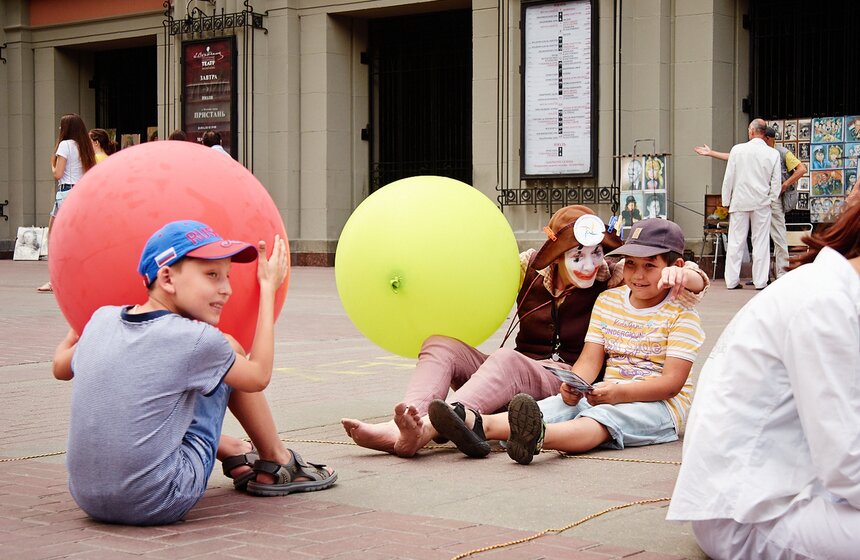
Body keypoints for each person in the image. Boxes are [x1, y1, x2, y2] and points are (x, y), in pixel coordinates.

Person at [341, 205, 707, 458]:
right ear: (556, 254)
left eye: (597, 253)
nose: (590, 264)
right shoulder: (528, 267)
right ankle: (412, 421)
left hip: (559, 377)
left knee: (507, 361)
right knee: (440, 345)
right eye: (576, 254)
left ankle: (433, 430)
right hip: (518, 378)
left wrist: (689, 274)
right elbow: (478, 274)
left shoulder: (612, 278)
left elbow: (681, 283)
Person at [52, 220, 336, 525]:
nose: (226, 289)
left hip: (87, 498)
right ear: (167, 278)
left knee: (177, 375)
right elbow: (257, 376)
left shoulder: (101, 320)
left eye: (227, 276)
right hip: (161, 499)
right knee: (229, 351)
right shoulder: (195, 340)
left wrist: (76, 330)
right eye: (211, 275)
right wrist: (268, 290)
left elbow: (60, 367)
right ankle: (277, 461)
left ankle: (232, 449)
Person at [666, 203, 860, 560]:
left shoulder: (833, 291)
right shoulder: (827, 303)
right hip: (751, 515)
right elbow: (846, 463)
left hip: (778, 491)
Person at [429, 219, 705, 465]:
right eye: (630, 264)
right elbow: (589, 359)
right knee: (557, 406)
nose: (638, 275)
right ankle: (478, 425)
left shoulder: (681, 313)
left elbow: (672, 384)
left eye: (650, 266)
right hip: (606, 392)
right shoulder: (609, 301)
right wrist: (573, 384)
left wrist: (621, 394)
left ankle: (539, 436)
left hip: (658, 407)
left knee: (598, 422)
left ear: (674, 268)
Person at [694, 118, 780, 289]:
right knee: (760, 242)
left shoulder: (737, 150)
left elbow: (729, 178)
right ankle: (760, 281)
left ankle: (732, 281)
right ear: (764, 133)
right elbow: (776, 182)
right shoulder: (773, 153)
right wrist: (771, 199)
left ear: (751, 131)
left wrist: (726, 200)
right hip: (762, 202)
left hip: (740, 201)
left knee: (736, 242)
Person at [38, 114, 97, 293]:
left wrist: (52, 164)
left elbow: (58, 174)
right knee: (79, 238)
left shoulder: (65, 146)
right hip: (82, 193)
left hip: (65, 193)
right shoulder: (85, 146)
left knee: (54, 237)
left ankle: (54, 279)